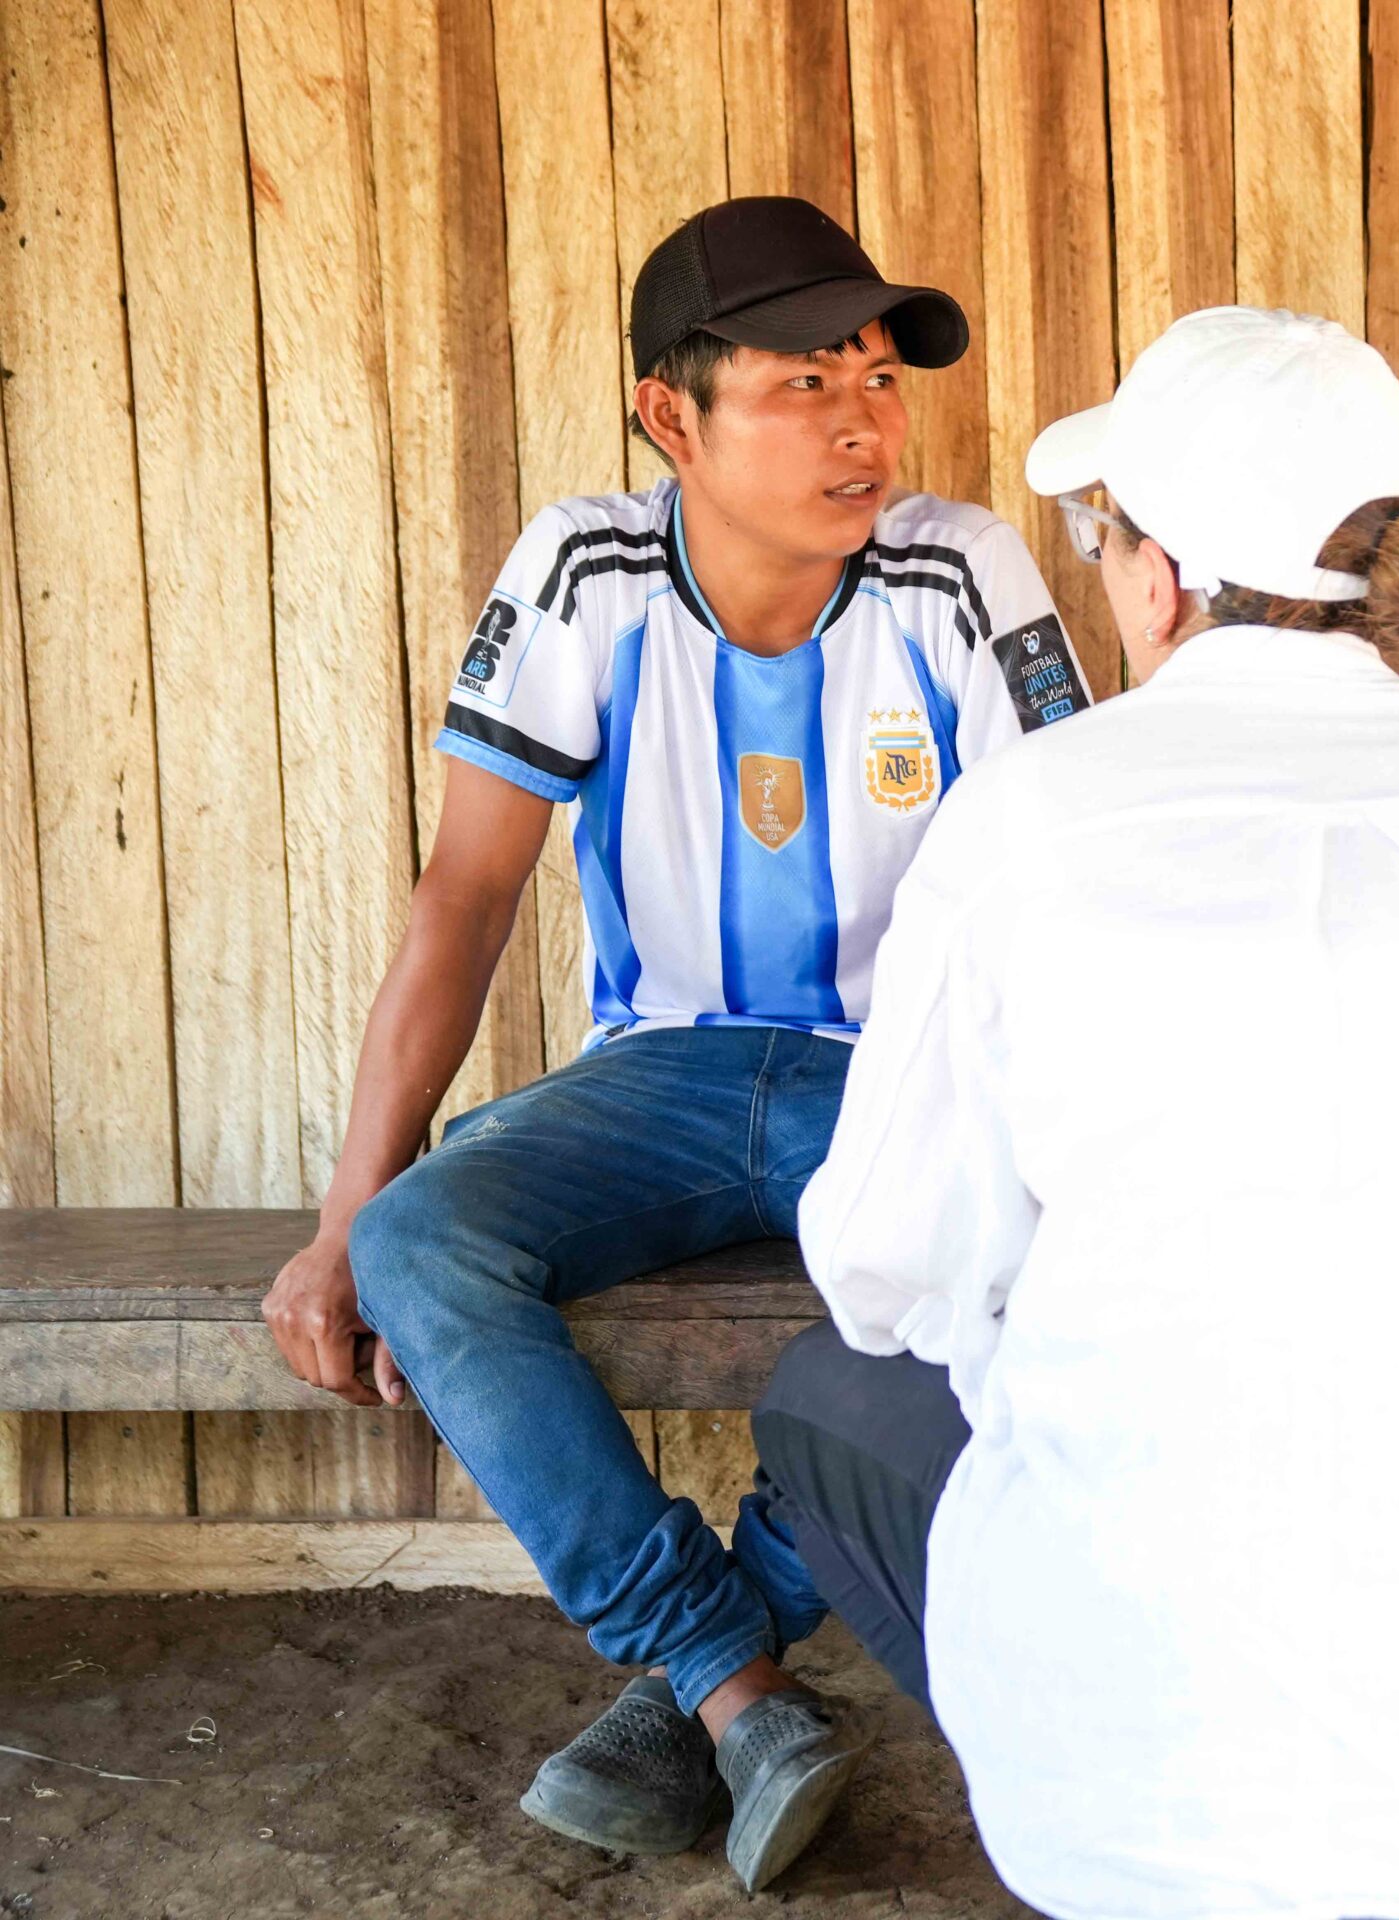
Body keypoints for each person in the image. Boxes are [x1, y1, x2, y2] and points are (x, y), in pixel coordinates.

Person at [750, 306, 1399, 1920]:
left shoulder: (1029, 821)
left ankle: (1182, 1805)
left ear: (1161, 574)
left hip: (1182, 1811)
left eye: (1104, 536)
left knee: (827, 1399)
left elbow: (884, 1268)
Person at [256, 195, 1087, 1891]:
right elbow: (465, 897)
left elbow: (1067, 887)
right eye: (804, 385)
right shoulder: (589, 571)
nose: (863, 426)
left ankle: (701, 1687)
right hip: (662, 1080)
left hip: (900, 1083)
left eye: (879, 380)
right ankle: (732, 1678)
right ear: (671, 416)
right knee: (419, 1242)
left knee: (1032, 1261)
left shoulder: (957, 567)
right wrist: (346, 1216)